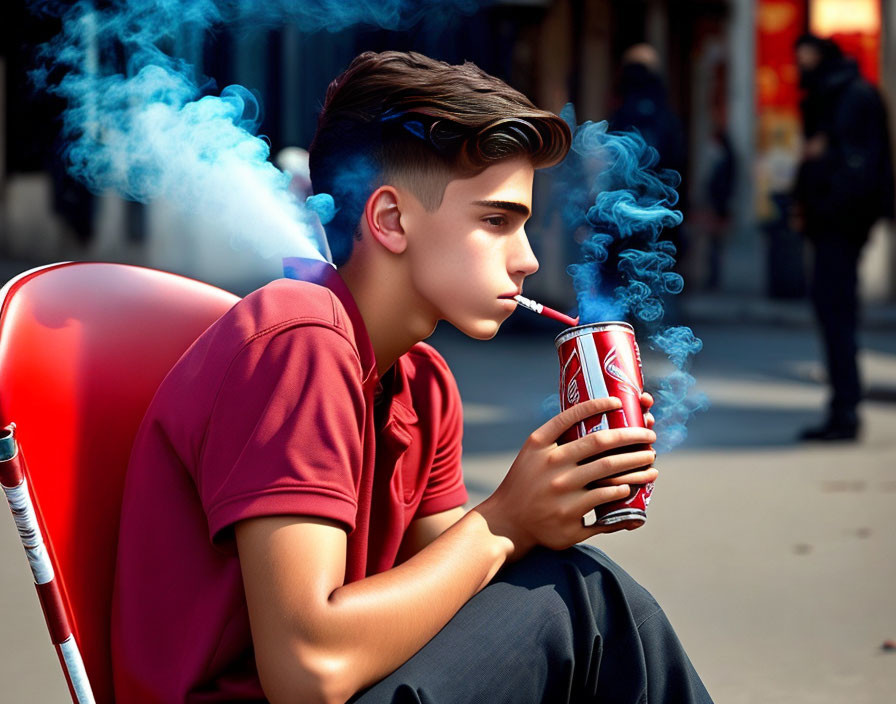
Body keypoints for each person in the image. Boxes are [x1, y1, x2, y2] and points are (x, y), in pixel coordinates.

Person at [111, 51, 713, 703]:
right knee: (582, 600)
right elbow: (308, 670)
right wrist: (506, 521)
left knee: (569, 576)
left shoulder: (423, 381)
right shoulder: (302, 339)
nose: (529, 261)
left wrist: (552, 509)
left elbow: (448, 584)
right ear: (391, 220)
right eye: (496, 222)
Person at [792, 35, 895, 441]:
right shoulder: (841, 94)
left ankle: (845, 411)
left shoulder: (847, 97)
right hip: (837, 222)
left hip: (840, 224)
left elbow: (856, 167)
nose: (800, 67)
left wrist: (821, 162)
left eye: (806, 59)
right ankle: (842, 408)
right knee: (834, 314)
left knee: (837, 314)